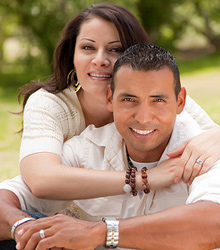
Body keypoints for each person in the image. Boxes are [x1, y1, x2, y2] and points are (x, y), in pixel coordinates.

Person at [0, 1, 220, 247]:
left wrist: (217, 139)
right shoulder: (78, 137)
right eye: (129, 99)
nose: (100, 60)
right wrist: (23, 227)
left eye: (115, 50)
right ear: (110, 100)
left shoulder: (195, 144)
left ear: (178, 102)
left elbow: (214, 222)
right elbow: (38, 180)